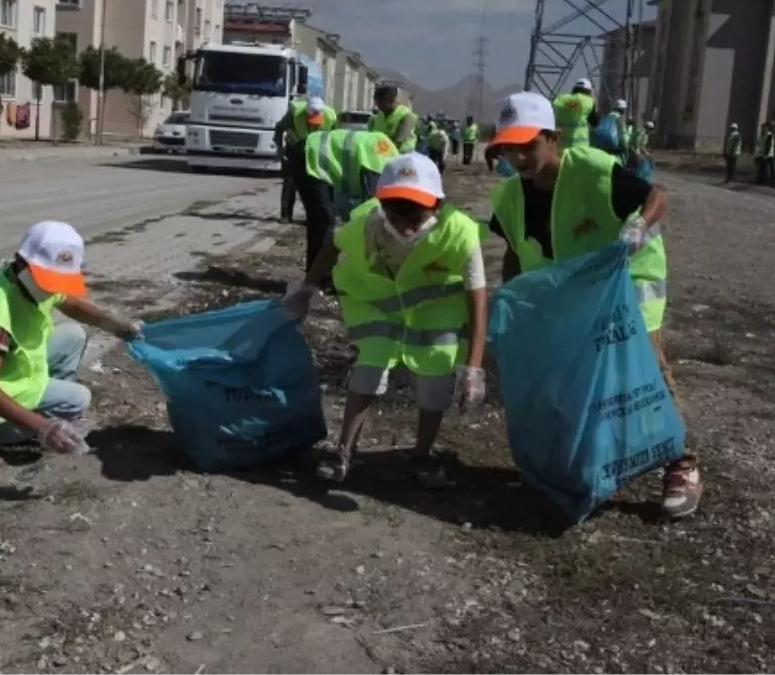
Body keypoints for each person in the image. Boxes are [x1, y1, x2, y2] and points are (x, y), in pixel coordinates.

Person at [485, 91, 701, 519]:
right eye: (510, 148)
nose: (520, 157)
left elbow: (657, 194)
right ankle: (592, 460)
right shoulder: (510, 197)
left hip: (632, 275)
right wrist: (513, 303)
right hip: (576, 290)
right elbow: (513, 252)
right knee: (573, 372)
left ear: (553, 139)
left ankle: (682, 464)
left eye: (529, 145)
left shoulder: (592, 169)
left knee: (644, 359)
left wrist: (639, 226)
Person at [284, 153, 488, 488]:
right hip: (378, 305)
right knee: (370, 366)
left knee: (436, 375)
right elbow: (332, 246)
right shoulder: (368, 223)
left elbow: (478, 297)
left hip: (432, 311)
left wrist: (474, 366)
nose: (406, 221)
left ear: (438, 204)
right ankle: (344, 453)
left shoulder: (460, 232)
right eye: (396, 211)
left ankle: (421, 457)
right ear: (381, 204)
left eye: (416, 211)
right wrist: (307, 288)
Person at [0, 221, 144, 463]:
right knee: (79, 398)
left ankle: (43, 413)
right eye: (49, 282)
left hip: (7, 369)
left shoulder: (19, 278)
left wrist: (114, 323)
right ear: (21, 262)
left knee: (74, 335)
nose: (54, 290)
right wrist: (43, 428)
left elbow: (69, 302)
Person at [298, 128, 400, 274]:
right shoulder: (376, 167)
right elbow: (370, 211)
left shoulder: (389, 156)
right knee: (324, 219)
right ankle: (320, 277)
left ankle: (321, 274)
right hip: (309, 155)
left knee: (326, 219)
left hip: (314, 148)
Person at [274, 96, 338, 223]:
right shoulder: (294, 113)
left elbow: (335, 136)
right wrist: (280, 149)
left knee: (319, 183)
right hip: (295, 148)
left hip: (317, 150)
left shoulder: (330, 116)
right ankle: (286, 214)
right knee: (290, 181)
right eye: (310, 120)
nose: (312, 123)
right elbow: (279, 128)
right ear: (305, 113)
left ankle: (317, 215)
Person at [368, 85, 419, 153]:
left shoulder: (407, 116)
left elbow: (398, 143)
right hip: (382, 152)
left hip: (402, 155)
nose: (378, 106)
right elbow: (369, 137)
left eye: (381, 103)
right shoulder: (377, 117)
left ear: (392, 101)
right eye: (377, 103)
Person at [552, 77, 600, 148]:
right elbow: (595, 123)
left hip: (560, 147)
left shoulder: (561, 99)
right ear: (588, 91)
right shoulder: (588, 101)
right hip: (579, 148)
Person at [755, 122, 775, 187]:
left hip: (770, 155)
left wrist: (774, 130)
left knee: (773, 170)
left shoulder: (770, 135)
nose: (763, 129)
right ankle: (761, 181)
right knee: (762, 169)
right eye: (762, 128)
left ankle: (773, 183)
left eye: (764, 128)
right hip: (763, 155)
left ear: (767, 128)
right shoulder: (762, 136)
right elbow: (758, 144)